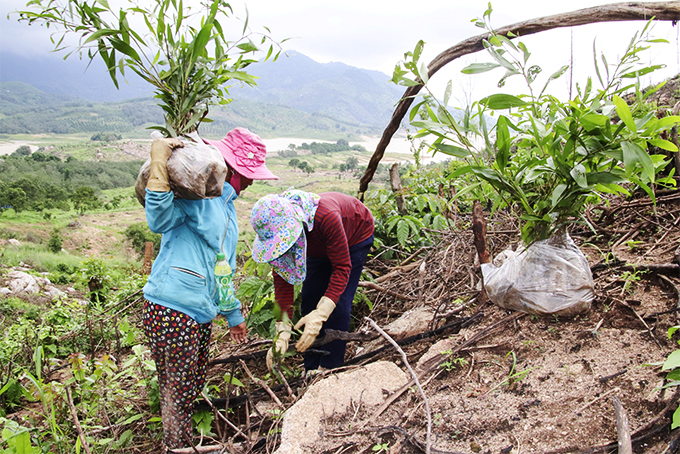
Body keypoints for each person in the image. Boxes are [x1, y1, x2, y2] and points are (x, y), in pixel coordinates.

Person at [142, 128, 277, 453]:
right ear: (229, 170)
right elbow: (158, 219)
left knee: (186, 386)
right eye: (247, 176)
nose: (251, 183)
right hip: (172, 306)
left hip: (195, 312)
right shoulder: (197, 196)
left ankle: (181, 441)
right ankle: (176, 447)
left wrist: (232, 314)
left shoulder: (226, 208)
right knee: (177, 389)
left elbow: (222, 268)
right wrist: (159, 164)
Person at [250, 189, 374, 371]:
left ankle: (330, 368)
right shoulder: (288, 236)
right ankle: (311, 366)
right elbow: (282, 281)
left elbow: (342, 268)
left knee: (338, 304)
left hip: (354, 236)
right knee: (310, 299)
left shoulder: (326, 217)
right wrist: (282, 330)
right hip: (316, 246)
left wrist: (321, 314)